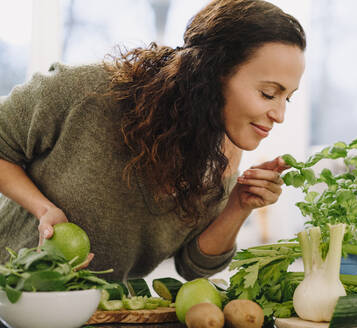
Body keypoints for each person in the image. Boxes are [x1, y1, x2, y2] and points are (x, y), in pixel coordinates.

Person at [0, 0, 306, 281]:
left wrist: (239, 204)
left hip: (104, 316)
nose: (279, 114)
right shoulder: (88, 92)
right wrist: (43, 209)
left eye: (287, 99)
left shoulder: (223, 155)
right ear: (216, 72)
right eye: (268, 93)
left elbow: (195, 266)